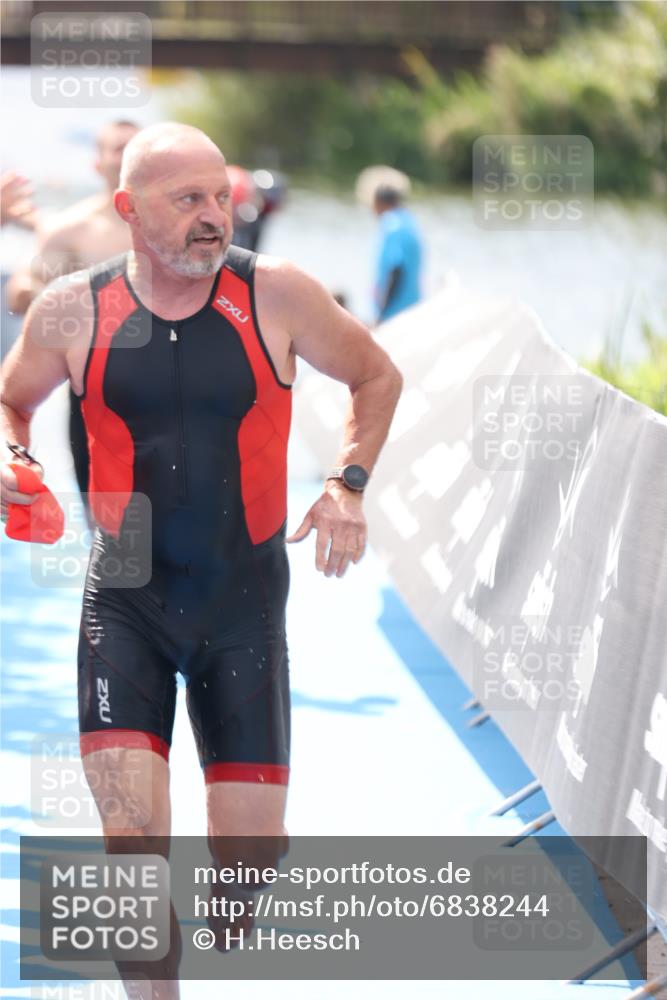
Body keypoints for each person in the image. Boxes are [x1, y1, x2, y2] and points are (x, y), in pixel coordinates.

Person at [0, 122, 402, 995]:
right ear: (127, 210)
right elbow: (10, 399)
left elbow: (376, 375)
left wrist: (346, 482)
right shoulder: (73, 308)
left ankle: (244, 874)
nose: (214, 216)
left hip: (242, 607)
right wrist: (14, 458)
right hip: (125, 604)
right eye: (188, 201)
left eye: (221, 196)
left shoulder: (279, 296)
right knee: (131, 847)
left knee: (245, 857)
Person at [6, 120, 140, 511]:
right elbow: (20, 291)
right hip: (96, 390)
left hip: (174, 380)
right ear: (98, 163)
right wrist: (77, 300)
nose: (128, 152)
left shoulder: (172, 224)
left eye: (136, 145)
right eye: (118, 147)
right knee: (102, 513)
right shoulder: (71, 230)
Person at [373, 182, 423, 324]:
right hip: (413, 306)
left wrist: (382, 312)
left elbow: (396, 270)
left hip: (395, 312)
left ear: (379, 203)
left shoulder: (391, 225)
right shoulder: (409, 221)